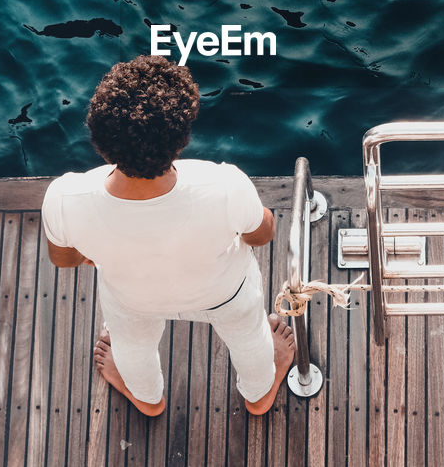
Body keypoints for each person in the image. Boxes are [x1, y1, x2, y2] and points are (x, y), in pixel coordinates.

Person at [40, 55, 295, 417]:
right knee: (250, 336)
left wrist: (99, 253)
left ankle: (148, 399)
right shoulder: (224, 184)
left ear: (99, 136)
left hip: (132, 298)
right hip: (224, 293)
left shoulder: (65, 198)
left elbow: (63, 258)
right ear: (181, 137)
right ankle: (259, 395)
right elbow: (261, 235)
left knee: (132, 346)